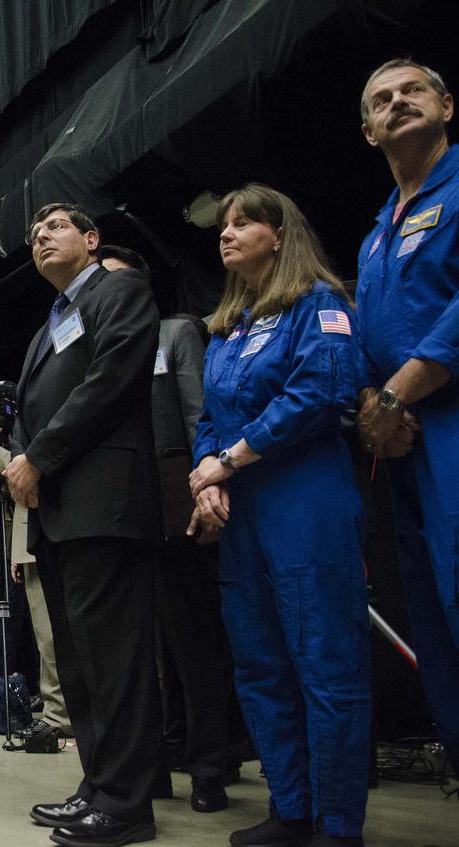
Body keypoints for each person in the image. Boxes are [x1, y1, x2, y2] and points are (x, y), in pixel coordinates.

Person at [188, 184, 369, 847]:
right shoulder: (227, 327)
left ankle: (336, 822)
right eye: (222, 226)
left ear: (278, 233)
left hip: (306, 498)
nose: (225, 232)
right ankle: (290, 806)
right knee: (260, 663)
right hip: (242, 513)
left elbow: (318, 393)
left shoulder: (318, 303)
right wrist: (206, 476)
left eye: (243, 223)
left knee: (325, 660)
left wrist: (226, 461)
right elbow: (207, 417)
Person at [13, 204, 163, 847]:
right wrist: (25, 459)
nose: (42, 235)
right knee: (78, 664)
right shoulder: (49, 321)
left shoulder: (118, 288)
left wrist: (38, 457)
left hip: (104, 502)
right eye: (35, 233)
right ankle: (99, 786)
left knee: (115, 661)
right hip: (59, 510)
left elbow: (110, 381)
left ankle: (129, 804)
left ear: (91, 239)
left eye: (56, 226)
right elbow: (31, 407)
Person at [99, 243, 241, 813]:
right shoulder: (92, 349)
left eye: (118, 280)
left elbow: (197, 414)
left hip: (172, 494)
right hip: (118, 507)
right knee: (140, 650)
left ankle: (210, 766)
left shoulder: (175, 333)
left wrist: (204, 490)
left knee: (193, 643)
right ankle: (154, 765)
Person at [355, 58, 459, 779]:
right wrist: (374, 410)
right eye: (380, 101)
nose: (396, 104)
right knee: (432, 619)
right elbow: (366, 336)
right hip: (405, 443)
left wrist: (395, 394)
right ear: (368, 132)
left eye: (410, 91)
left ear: (445, 105)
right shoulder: (372, 237)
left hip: (449, 421)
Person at [0, 423, 73, 745]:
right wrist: (17, 552)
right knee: (44, 638)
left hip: (50, 536)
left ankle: (60, 715)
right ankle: (54, 711)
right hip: (30, 542)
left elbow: (29, 467)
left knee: (50, 635)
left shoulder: (36, 425)